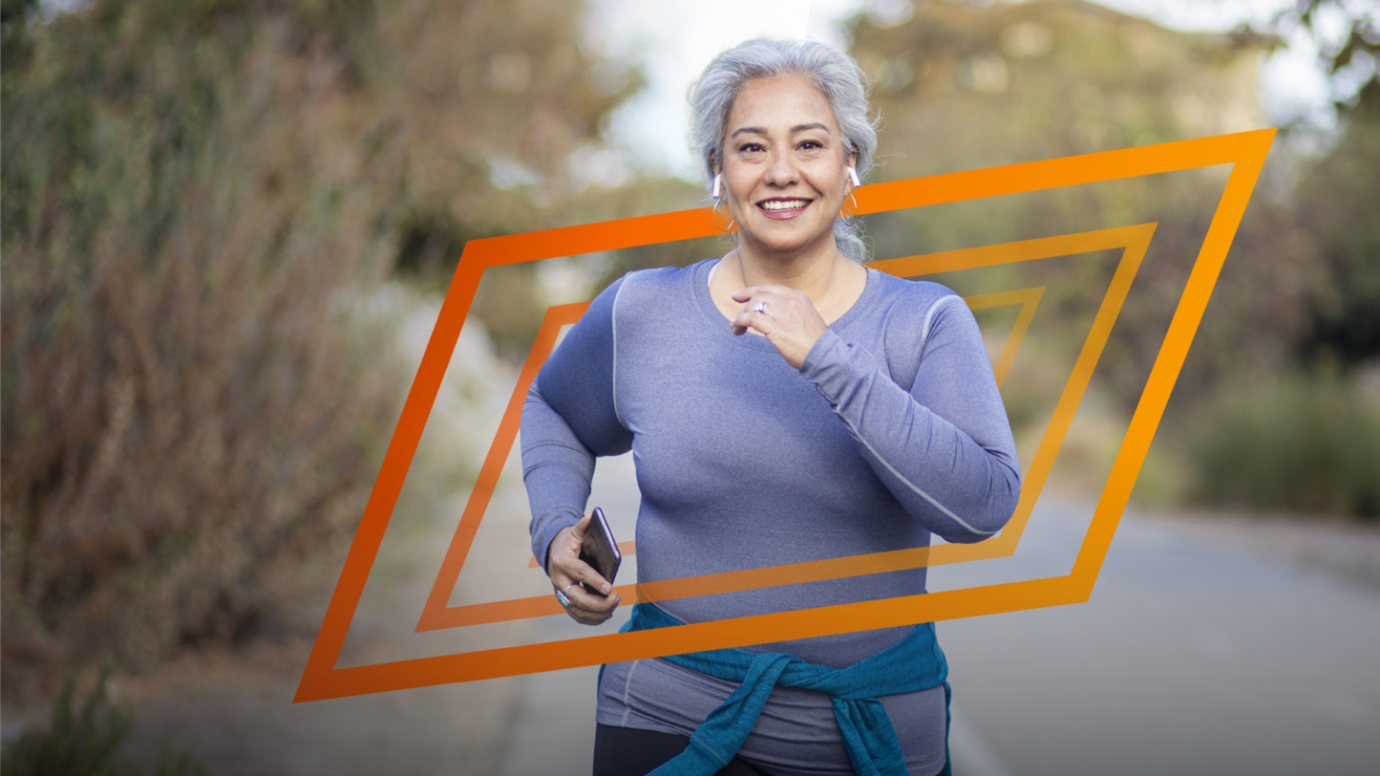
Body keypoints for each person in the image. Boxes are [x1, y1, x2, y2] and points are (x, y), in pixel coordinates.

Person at [522, 38, 1020, 776]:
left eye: (810, 144)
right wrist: (556, 530)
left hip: (872, 732)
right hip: (668, 718)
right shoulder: (641, 311)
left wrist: (828, 360)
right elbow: (554, 408)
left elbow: (981, 506)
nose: (781, 171)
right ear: (717, 174)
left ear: (849, 165)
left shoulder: (924, 322)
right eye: (750, 147)